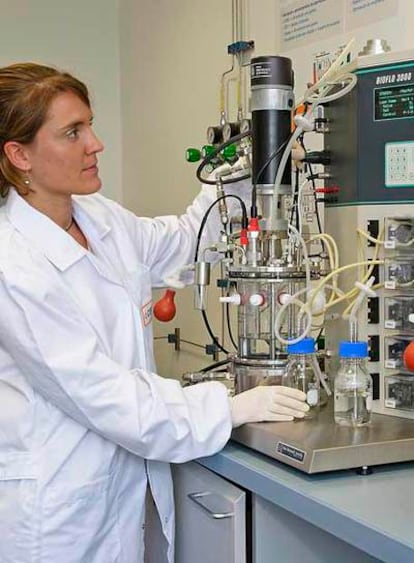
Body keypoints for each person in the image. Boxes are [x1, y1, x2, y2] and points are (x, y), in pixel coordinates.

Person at [0, 62, 309, 563]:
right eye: (72, 132)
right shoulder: (14, 266)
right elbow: (104, 394)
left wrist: (246, 174)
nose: (95, 144)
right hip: (56, 516)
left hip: (117, 487)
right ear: (19, 155)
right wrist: (226, 408)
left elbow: (184, 242)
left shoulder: (98, 218)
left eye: (91, 125)